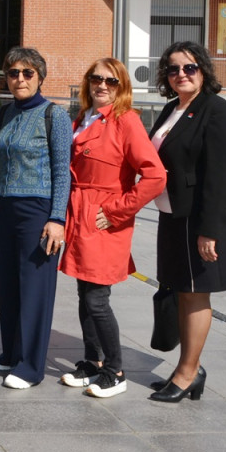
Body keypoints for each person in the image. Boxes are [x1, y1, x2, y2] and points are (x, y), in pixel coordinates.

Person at [59, 57, 166, 398]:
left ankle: (115, 370)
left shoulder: (125, 121)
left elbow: (155, 175)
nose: (102, 85)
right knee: (84, 294)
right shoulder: (82, 117)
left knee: (97, 299)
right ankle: (92, 361)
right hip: (79, 213)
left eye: (111, 81)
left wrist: (119, 210)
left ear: (122, 87)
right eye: (95, 78)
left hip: (103, 218)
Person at [147, 41, 226, 403]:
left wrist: (210, 231)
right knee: (181, 291)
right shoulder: (173, 108)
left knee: (196, 293)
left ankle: (188, 373)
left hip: (200, 218)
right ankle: (188, 368)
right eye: (173, 69)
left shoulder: (217, 111)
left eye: (189, 68)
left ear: (203, 70)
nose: (181, 75)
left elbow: (219, 177)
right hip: (173, 213)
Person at [0, 47, 71, 389]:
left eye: (27, 73)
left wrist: (56, 218)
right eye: (12, 73)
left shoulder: (56, 115)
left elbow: (62, 171)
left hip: (37, 210)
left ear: (40, 77)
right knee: (8, 285)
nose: (19, 79)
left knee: (34, 287)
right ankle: (11, 353)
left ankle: (30, 366)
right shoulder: (5, 112)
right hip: (4, 208)